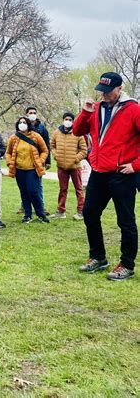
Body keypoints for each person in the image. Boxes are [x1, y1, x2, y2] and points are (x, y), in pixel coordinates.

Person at [73, 72, 139, 281]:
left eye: (108, 92)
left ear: (120, 89)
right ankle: (98, 257)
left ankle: (127, 265)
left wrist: (136, 165)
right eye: (101, 91)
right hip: (99, 172)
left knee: (125, 221)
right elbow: (77, 131)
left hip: (122, 174)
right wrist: (85, 112)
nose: (104, 95)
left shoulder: (134, 110)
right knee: (90, 213)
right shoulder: (97, 108)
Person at [5, 116, 50, 224]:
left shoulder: (36, 136)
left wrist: (41, 160)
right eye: (20, 122)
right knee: (24, 192)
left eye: (24, 122)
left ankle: (40, 214)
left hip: (32, 170)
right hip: (19, 170)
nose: (22, 124)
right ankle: (27, 215)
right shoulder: (13, 138)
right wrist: (9, 162)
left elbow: (45, 150)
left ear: (28, 124)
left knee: (33, 192)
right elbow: (8, 152)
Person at [50, 111, 88, 220]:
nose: (68, 121)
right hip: (61, 166)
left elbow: (84, 150)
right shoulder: (56, 132)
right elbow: (52, 145)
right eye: (66, 119)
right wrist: (56, 155)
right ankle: (60, 211)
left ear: (73, 121)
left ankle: (81, 211)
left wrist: (75, 159)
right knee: (62, 189)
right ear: (63, 120)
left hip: (75, 167)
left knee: (79, 189)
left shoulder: (78, 133)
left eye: (70, 120)